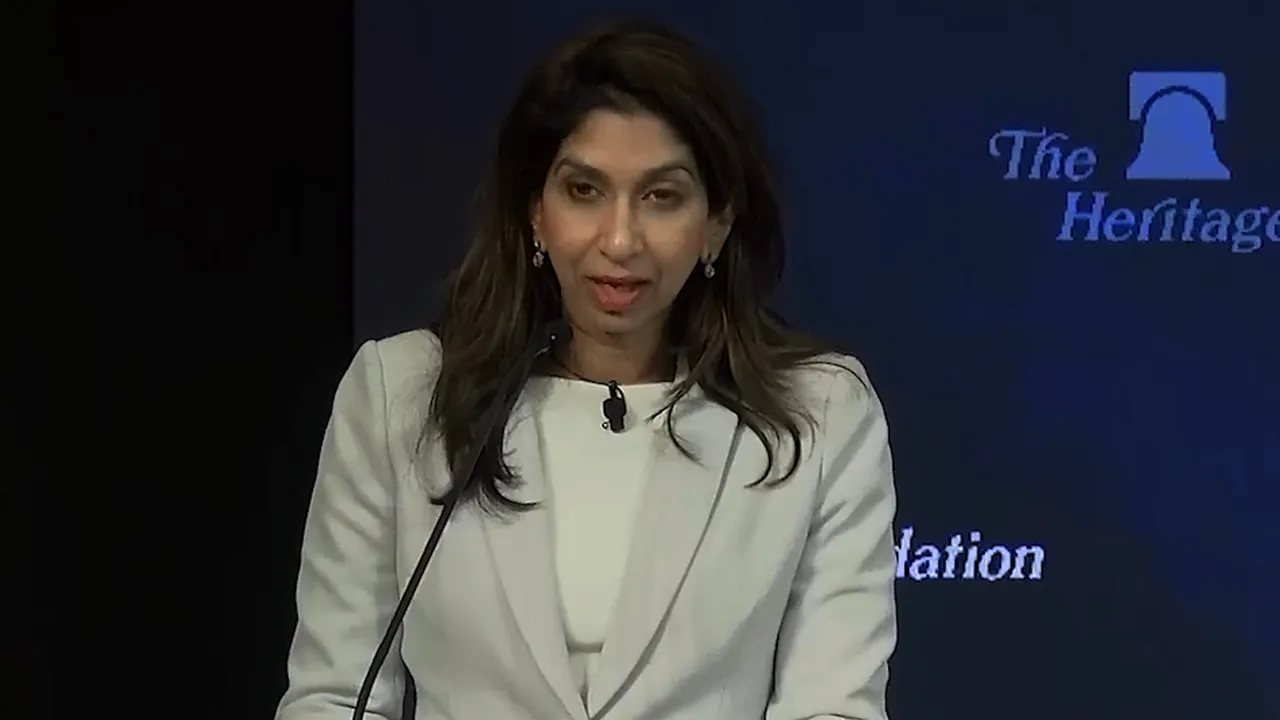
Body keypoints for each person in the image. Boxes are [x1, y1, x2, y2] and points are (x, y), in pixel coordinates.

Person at [277, 18, 897, 720]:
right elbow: (333, 697)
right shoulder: (399, 394)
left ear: (717, 223)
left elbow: (834, 705)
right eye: (584, 191)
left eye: (662, 196)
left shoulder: (819, 413)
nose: (621, 239)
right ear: (535, 212)